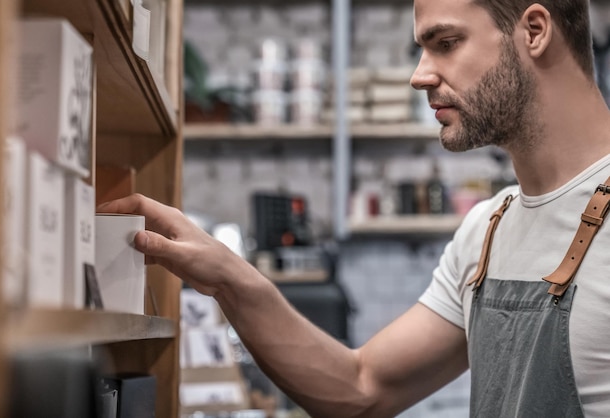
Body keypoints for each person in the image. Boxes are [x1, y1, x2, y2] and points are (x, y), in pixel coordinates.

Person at [98, 0, 610, 416]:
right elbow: (361, 388)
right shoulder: (487, 230)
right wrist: (230, 280)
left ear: (535, 30)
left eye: (446, 43)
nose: (419, 75)